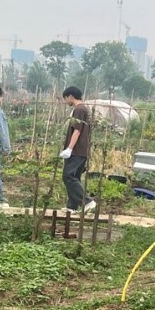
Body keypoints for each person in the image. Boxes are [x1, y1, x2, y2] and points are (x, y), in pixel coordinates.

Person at [58, 86, 96, 214]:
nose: (66, 101)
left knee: (68, 176)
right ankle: (72, 206)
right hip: (82, 149)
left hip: (77, 150)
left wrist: (69, 148)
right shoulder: (85, 109)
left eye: (66, 98)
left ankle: (87, 201)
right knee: (75, 177)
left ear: (71, 96)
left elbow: (77, 130)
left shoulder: (79, 110)